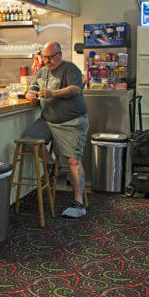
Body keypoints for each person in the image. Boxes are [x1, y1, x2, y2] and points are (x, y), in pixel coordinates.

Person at [25, 41, 89, 218]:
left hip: (71, 122)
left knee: (73, 161)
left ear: (59, 55)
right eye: (44, 57)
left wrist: (52, 94)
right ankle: (51, 164)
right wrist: (30, 94)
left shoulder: (70, 69)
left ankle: (79, 204)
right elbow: (32, 89)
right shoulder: (42, 71)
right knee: (30, 140)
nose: (46, 61)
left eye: (50, 57)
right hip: (48, 121)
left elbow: (75, 89)